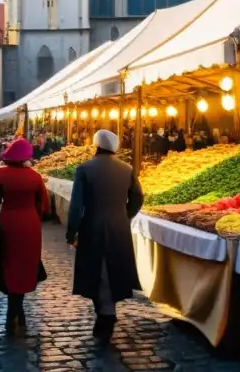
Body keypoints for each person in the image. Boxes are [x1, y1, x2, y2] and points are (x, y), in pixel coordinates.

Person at [66, 129, 143, 339]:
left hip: (92, 226)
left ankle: (105, 314)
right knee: (114, 269)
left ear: (96, 145)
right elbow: (138, 197)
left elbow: (76, 206)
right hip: (119, 227)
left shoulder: (84, 169)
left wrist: (71, 232)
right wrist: (125, 215)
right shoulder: (126, 169)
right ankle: (107, 312)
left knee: (96, 271)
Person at [0, 137, 49, 335]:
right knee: (25, 266)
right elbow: (44, 206)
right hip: (30, 225)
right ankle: (18, 311)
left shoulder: (1, 174)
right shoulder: (36, 176)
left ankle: (12, 313)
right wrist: (33, 215)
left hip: (8, 224)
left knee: (9, 264)